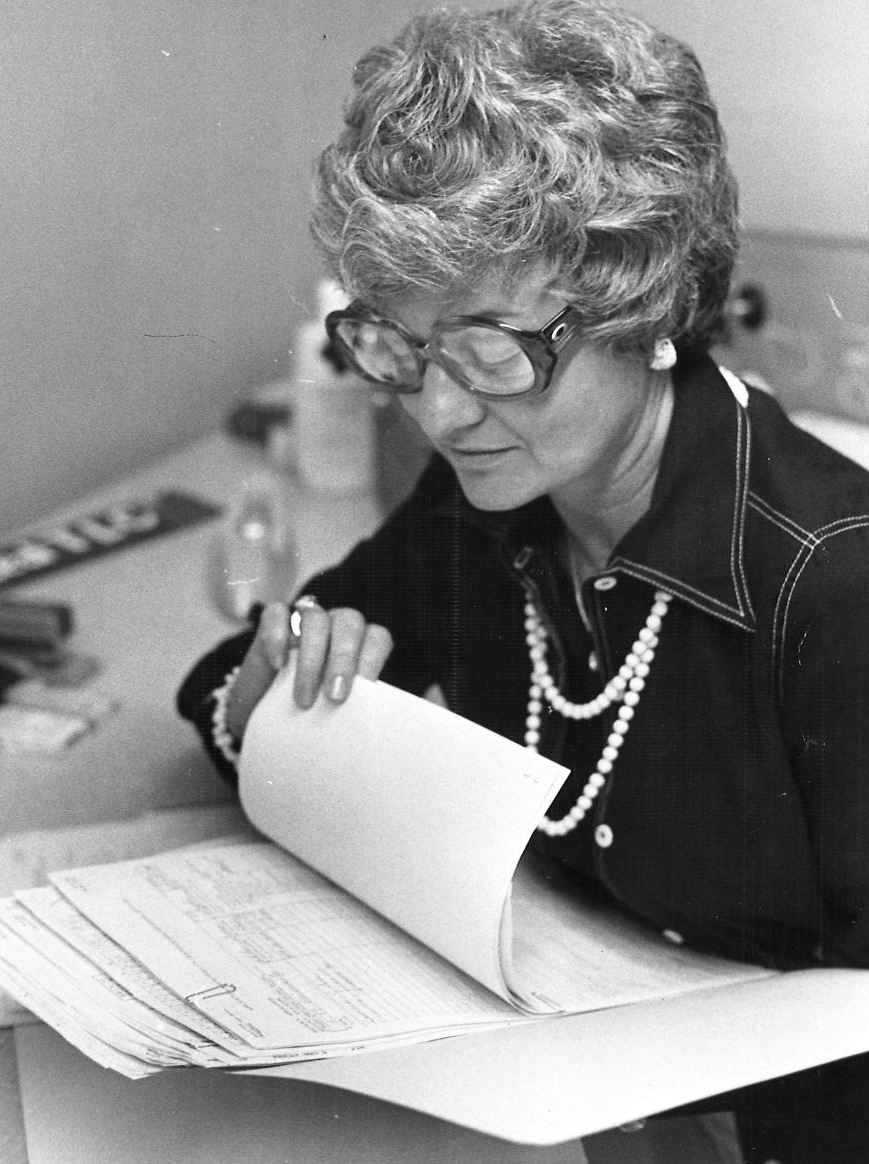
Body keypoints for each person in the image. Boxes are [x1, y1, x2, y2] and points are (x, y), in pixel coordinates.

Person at [178, 2, 869, 1158]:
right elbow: (220, 686)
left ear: (640, 305)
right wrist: (267, 707)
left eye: (495, 350)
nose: (441, 413)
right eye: (399, 344)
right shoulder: (489, 499)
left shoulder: (831, 588)